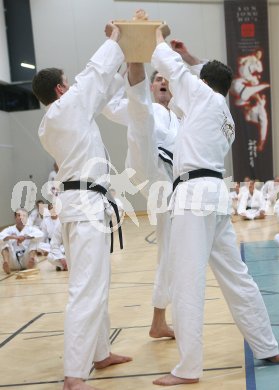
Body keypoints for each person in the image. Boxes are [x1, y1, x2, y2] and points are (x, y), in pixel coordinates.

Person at [151, 26, 279, 386]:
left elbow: (172, 68)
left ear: (203, 83)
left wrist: (156, 37)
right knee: (236, 276)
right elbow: (194, 77)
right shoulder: (223, 115)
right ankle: (266, 345)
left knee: (187, 281)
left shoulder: (203, 97)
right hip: (215, 195)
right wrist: (193, 58)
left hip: (194, 196)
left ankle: (189, 368)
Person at [32, 22, 132, 390]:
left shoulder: (54, 122)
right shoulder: (68, 109)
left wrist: (127, 65)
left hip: (80, 205)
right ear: (61, 89)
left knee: (94, 284)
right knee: (86, 289)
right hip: (85, 205)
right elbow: (95, 74)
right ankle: (74, 374)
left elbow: (101, 88)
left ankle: (99, 353)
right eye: (68, 82)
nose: (74, 85)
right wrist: (115, 39)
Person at [103, 35, 201, 339]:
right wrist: (124, 63)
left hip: (169, 186)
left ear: (172, 87)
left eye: (164, 79)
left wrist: (186, 56)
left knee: (169, 250)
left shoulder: (183, 117)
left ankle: (158, 320)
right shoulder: (147, 108)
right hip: (144, 166)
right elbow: (107, 105)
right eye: (155, 78)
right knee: (141, 114)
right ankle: (135, 62)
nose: (161, 82)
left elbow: (204, 85)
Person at [0, 208, 43, 274]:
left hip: (27, 260)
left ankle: (31, 260)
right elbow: (1, 236)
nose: (21, 218)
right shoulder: (10, 229)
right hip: (13, 262)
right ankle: (6, 263)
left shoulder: (31, 229)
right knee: (4, 240)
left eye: (24, 215)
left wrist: (25, 237)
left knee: (34, 240)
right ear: (15, 217)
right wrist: (13, 237)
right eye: (19, 215)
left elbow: (41, 234)